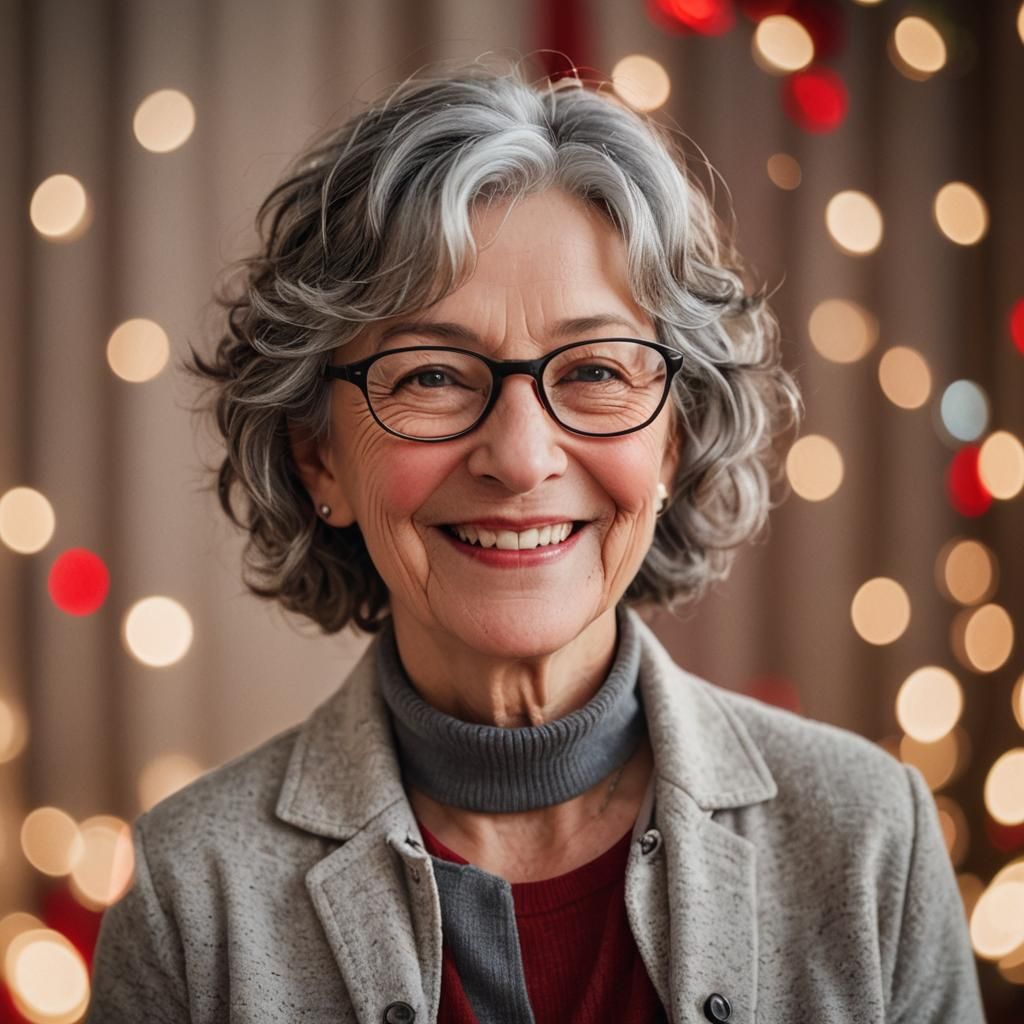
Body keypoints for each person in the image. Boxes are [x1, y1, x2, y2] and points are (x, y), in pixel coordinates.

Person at [85, 57, 985, 1023]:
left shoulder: (869, 840)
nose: (519, 458)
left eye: (597, 368)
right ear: (320, 460)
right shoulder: (192, 896)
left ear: (674, 436)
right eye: (431, 375)